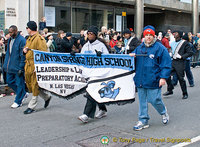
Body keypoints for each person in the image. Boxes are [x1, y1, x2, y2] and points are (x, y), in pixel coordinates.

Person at [130, 25, 171, 131]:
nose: (148, 37)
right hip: (140, 79)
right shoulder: (139, 48)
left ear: (154, 36)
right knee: (142, 101)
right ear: (144, 36)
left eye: (150, 35)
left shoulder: (160, 48)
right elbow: (132, 62)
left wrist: (163, 77)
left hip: (154, 79)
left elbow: (166, 64)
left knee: (154, 100)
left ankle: (163, 112)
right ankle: (143, 120)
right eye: (146, 35)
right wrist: (131, 57)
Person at [78, 26, 109, 123]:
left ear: (95, 35)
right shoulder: (85, 46)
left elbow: (108, 59)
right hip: (88, 73)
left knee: (91, 93)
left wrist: (101, 56)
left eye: (92, 34)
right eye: (88, 34)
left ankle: (86, 114)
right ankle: (103, 109)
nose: (90, 35)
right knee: (95, 93)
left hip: (98, 73)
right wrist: (74, 54)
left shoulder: (101, 45)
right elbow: (81, 58)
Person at [23, 21, 51, 114]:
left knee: (35, 85)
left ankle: (32, 106)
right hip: (28, 65)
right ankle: (46, 97)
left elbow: (43, 53)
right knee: (30, 85)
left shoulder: (39, 39)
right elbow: (27, 49)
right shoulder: (29, 38)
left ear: (30, 28)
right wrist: (25, 51)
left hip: (35, 65)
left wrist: (39, 66)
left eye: (27, 27)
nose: (26, 29)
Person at [163, 31, 193, 99]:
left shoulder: (184, 43)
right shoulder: (172, 43)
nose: (174, 34)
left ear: (179, 35)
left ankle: (185, 93)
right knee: (167, 74)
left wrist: (182, 56)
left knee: (181, 78)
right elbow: (171, 50)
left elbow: (190, 52)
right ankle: (170, 89)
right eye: (174, 33)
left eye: (176, 33)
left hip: (180, 62)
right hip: (173, 61)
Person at [3, 25, 27, 108]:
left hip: (18, 67)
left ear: (16, 31)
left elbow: (23, 55)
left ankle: (18, 101)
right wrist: (5, 65)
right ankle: (23, 93)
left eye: (11, 32)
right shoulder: (10, 39)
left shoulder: (22, 40)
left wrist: (21, 67)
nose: (9, 34)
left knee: (19, 83)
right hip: (10, 66)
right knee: (9, 82)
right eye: (9, 32)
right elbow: (8, 53)